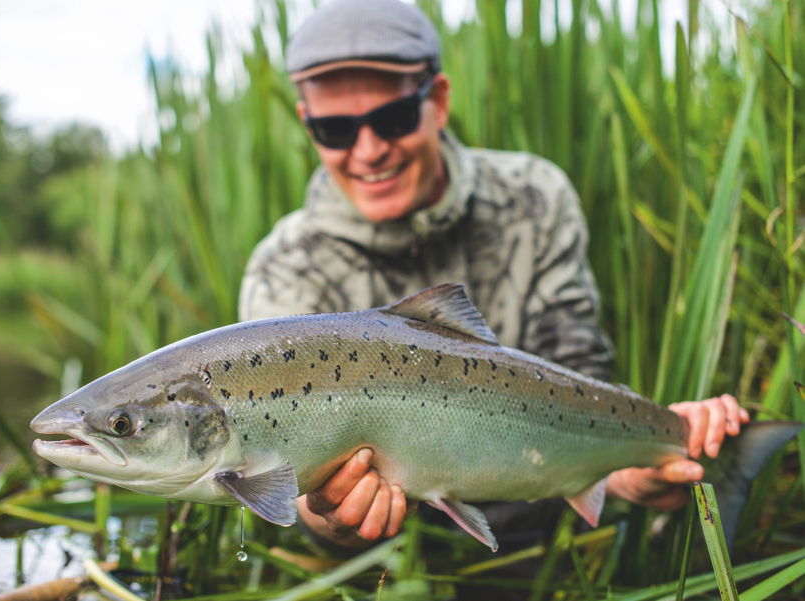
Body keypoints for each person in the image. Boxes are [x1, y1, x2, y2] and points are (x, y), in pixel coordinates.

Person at [238, 0, 748, 550]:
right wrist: (327, 516)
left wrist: (634, 468)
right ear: (307, 124)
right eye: (336, 129)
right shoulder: (283, 266)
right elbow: (284, 488)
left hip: (549, 541)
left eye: (393, 119)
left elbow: (578, 387)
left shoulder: (534, 198)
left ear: (437, 100)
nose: (369, 150)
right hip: (386, 568)